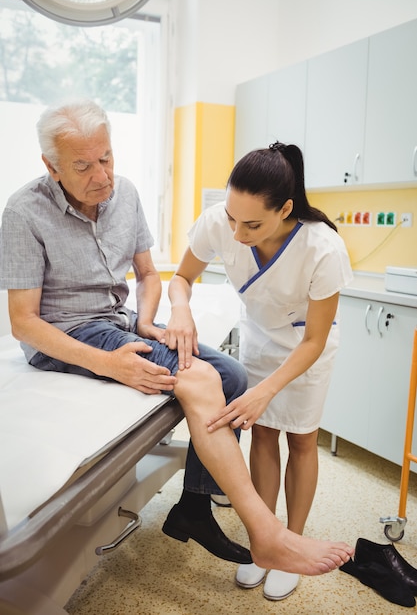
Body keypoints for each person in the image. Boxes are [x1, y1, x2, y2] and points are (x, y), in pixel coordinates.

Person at [0, 102, 353, 579]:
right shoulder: (24, 211)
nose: (102, 175)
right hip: (69, 331)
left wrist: (147, 320)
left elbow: (148, 275)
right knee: (203, 377)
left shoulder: (124, 194)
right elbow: (23, 323)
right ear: (52, 166)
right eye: (84, 166)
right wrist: (109, 364)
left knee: (230, 374)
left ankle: (193, 505)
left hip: (122, 321)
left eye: (106, 158)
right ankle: (266, 533)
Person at [162, 141, 354, 599]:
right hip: (259, 338)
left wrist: (266, 389)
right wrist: (180, 310)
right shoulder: (219, 222)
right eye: (231, 218)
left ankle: (292, 538)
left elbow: (314, 340)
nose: (237, 231)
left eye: (252, 223)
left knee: (302, 440)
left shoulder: (323, 248)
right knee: (264, 434)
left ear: (286, 209)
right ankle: (264, 540)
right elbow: (181, 278)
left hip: (307, 349)